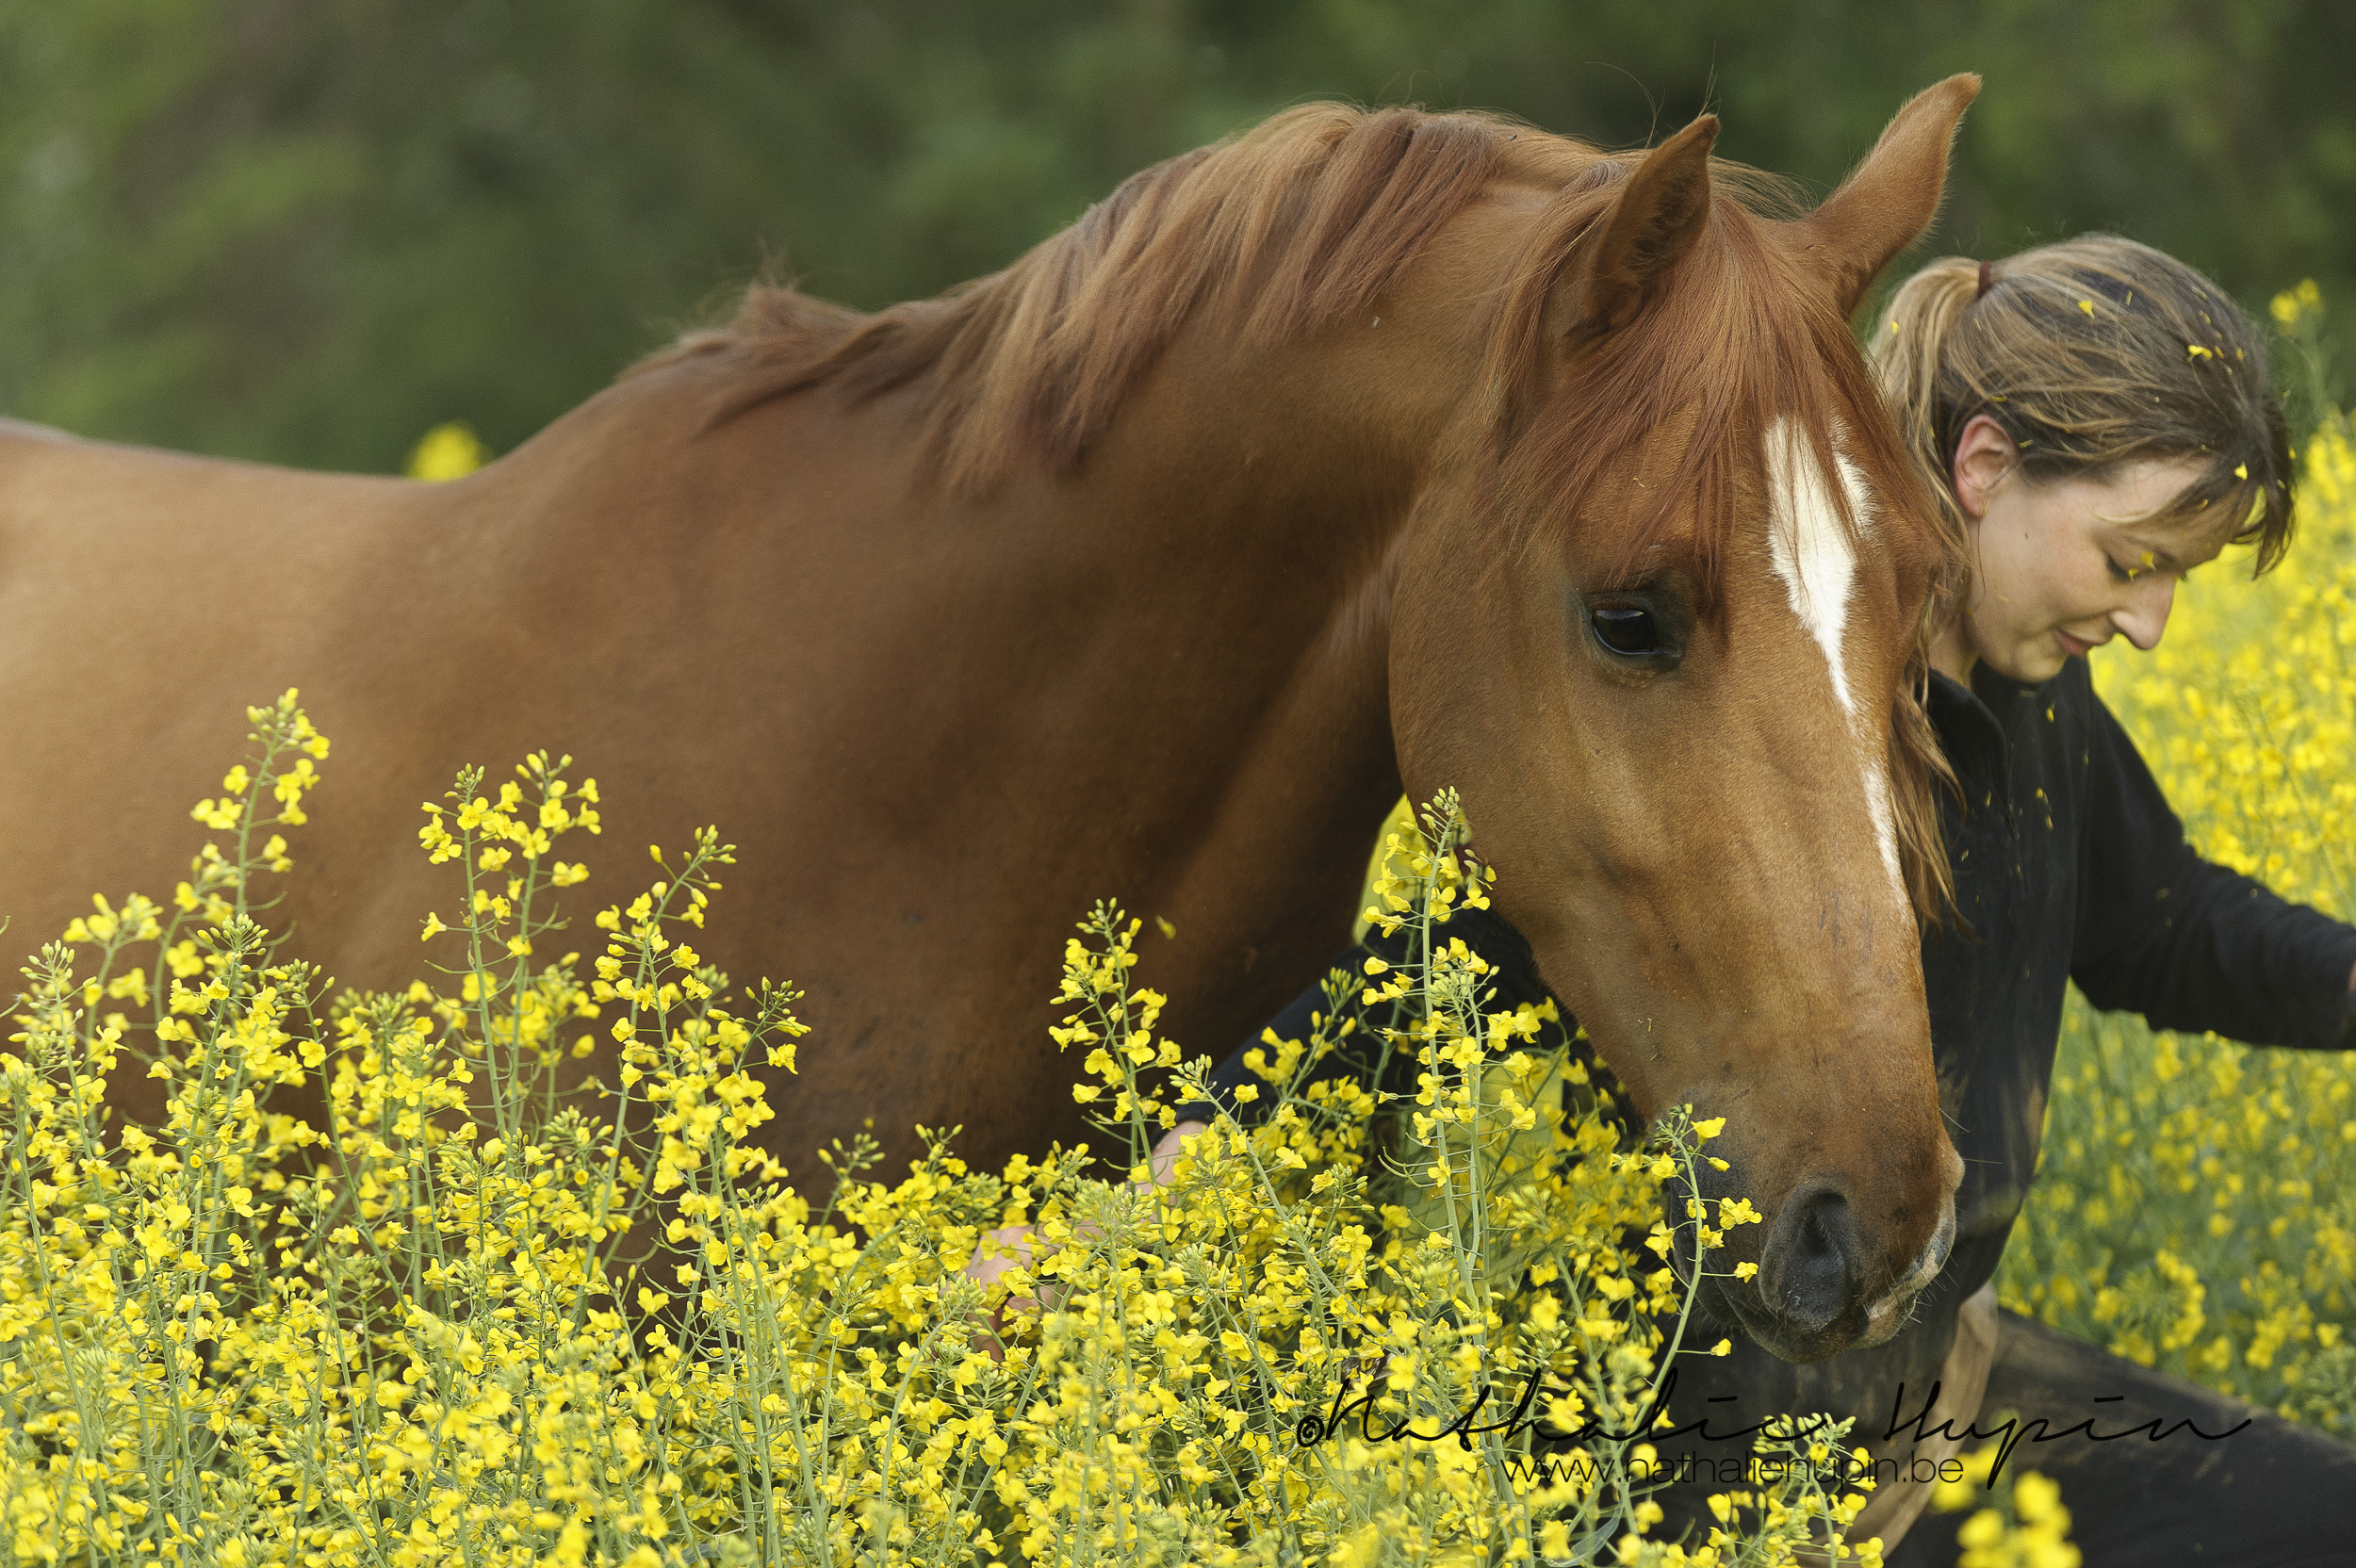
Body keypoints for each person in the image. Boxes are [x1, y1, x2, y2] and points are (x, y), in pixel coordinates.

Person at [970, 236, 2356, 1561]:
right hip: (1703, 1439)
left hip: (1924, 1391)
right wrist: (1146, 1206)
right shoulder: (1781, 704)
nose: (2153, 621)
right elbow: (1460, 968)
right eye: (2132, 562)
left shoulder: (2040, 702)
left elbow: (2166, 925)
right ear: (1985, 466)